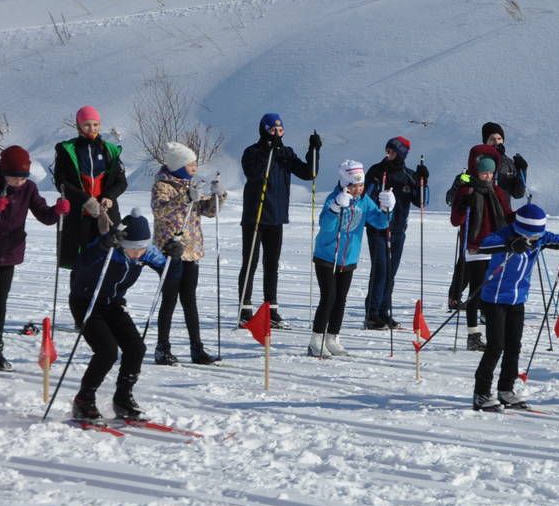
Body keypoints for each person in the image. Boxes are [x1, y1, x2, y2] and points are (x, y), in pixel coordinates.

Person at [68, 215, 181, 421]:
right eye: (133, 248)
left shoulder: (146, 253)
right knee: (107, 351)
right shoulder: (106, 248)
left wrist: (175, 259)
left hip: (113, 304)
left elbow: (170, 275)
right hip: (86, 302)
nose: (138, 254)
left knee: (136, 348)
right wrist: (102, 246)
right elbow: (82, 264)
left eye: (142, 249)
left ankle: (122, 397)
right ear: (121, 243)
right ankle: (84, 399)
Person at [469, 203, 559, 411]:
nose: (535, 241)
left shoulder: (540, 237)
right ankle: (481, 394)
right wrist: (510, 245)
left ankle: (506, 390)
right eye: (531, 237)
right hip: (495, 300)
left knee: (513, 346)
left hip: (518, 300)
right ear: (520, 229)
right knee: (495, 346)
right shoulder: (503, 235)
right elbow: (484, 245)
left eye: (537, 237)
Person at [0, 146, 71, 370]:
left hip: (9, 253)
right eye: (14, 178)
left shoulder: (28, 188)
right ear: (3, 171)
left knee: (0, 303)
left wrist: (58, 211)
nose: (18, 182)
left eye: (22, 178)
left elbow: (44, 215)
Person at [238, 113, 320, 329]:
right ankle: (244, 309)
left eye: (280, 130)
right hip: (254, 216)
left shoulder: (286, 153)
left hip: (276, 216)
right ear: (263, 129)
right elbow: (254, 173)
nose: (277, 134)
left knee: (271, 264)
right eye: (273, 130)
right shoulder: (252, 152)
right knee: (250, 262)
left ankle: (271, 309)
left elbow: (309, 173)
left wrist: (314, 151)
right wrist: (268, 150)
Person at [150, 142, 227, 366]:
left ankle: (197, 348)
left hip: (191, 251)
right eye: (190, 164)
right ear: (179, 166)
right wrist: (184, 198)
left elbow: (208, 211)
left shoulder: (189, 185)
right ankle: (162, 347)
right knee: (170, 299)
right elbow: (160, 210)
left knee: (190, 300)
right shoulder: (163, 185)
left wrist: (217, 196)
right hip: (171, 251)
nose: (194, 167)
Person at [309, 160, 394, 357]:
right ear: (344, 184)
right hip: (327, 256)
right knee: (328, 298)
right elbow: (325, 225)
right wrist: (336, 207)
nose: (358, 189)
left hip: (348, 258)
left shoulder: (365, 201)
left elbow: (380, 223)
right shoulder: (334, 198)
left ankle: (332, 337)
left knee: (340, 299)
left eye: (361, 185)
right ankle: (316, 339)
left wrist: (388, 208)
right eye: (354, 185)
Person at [450, 146, 514, 351]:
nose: (487, 176)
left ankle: (494, 333)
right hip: (476, 247)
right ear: (476, 172)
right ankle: (473, 335)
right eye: (484, 172)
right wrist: (463, 204)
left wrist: (524, 220)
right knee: (476, 292)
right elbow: (455, 220)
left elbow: (507, 215)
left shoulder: (497, 192)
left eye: (490, 173)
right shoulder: (466, 189)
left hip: (496, 247)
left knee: (493, 292)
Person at [362, 136, 427, 330]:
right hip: (377, 228)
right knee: (380, 269)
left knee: (391, 271)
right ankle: (372, 313)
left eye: (392, 150)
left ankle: (384, 311)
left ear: (402, 153)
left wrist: (423, 181)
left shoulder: (409, 175)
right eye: (387, 150)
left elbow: (421, 201)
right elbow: (366, 196)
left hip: (398, 229)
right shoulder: (377, 170)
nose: (388, 153)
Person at [54, 105, 128, 269]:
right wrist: (85, 199)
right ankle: (79, 294)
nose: (92, 128)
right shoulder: (68, 150)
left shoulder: (110, 150)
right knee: (80, 263)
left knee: (108, 260)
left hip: (106, 213)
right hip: (79, 214)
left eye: (95, 124)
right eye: (87, 124)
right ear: (79, 126)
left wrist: (109, 196)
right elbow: (61, 182)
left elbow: (121, 182)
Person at [479, 123, 529, 200]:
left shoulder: (509, 163)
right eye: (492, 139)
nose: (496, 142)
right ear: (486, 142)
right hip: (484, 209)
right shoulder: (479, 161)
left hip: (504, 210)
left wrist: (521, 170)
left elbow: (518, 193)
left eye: (499, 138)